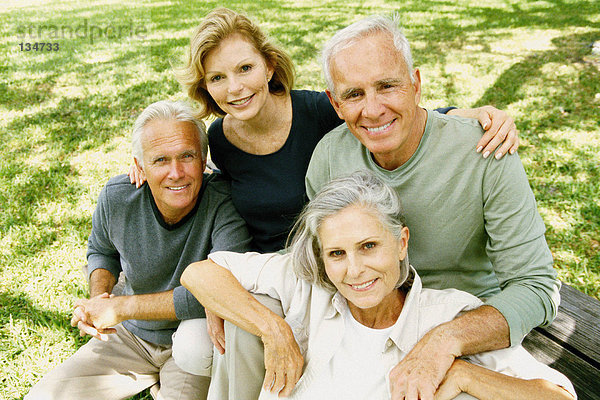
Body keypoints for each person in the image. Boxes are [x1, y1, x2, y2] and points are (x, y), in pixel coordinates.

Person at [304, 14, 561, 399]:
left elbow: (536, 286)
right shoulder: (329, 156)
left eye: (387, 86)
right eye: (354, 94)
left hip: (467, 324)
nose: (372, 110)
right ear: (334, 103)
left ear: (416, 84)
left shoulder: (485, 152)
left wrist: (445, 339)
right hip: (369, 323)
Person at [131, 7, 519, 254]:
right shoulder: (218, 140)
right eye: (217, 77)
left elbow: (383, 116)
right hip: (265, 268)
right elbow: (195, 175)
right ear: (206, 87)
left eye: (245, 68)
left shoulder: (319, 110)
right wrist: (144, 168)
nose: (234, 87)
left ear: (268, 66)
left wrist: (466, 114)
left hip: (334, 260)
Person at [181, 171, 576, 400]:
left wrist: (464, 375)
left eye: (369, 246)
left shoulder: (446, 315)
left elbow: (558, 396)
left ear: (401, 243)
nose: (354, 270)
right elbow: (199, 273)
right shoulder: (308, 285)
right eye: (336, 253)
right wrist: (274, 329)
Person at [25, 100, 251, 400]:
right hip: (128, 336)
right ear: (139, 165)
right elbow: (101, 251)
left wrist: (120, 307)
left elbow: (221, 289)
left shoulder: (224, 201)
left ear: (203, 158)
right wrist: (99, 300)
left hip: (192, 340)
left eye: (187, 156)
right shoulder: (118, 197)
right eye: (160, 160)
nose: (176, 173)